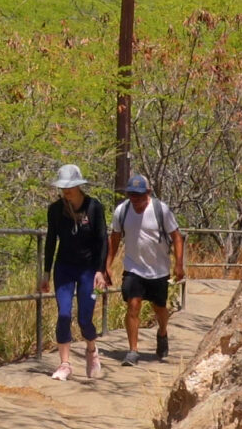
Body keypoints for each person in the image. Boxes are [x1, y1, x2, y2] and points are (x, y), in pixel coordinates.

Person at [38, 163, 105, 381]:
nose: (66, 191)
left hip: (87, 269)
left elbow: (102, 240)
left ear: (79, 186)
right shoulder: (55, 210)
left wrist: (100, 270)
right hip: (64, 268)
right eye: (63, 187)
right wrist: (46, 272)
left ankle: (91, 349)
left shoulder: (94, 207)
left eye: (71, 186)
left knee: (85, 318)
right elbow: (50, 242)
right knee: (64, 314)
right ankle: (65, 364)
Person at [106, 174, 183, 362]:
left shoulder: (161, 210)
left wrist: (179, 264)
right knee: (133, 305)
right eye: (132, 195)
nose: (136, 200)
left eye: (140, 196)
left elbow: (177, 236)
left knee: (159, 308)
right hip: (134, 268)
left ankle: (162, 332)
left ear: (148, 193)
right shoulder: (122, 211)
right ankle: (133, 350)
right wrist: (107, 265)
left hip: (158, 270)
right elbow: (115, 238)